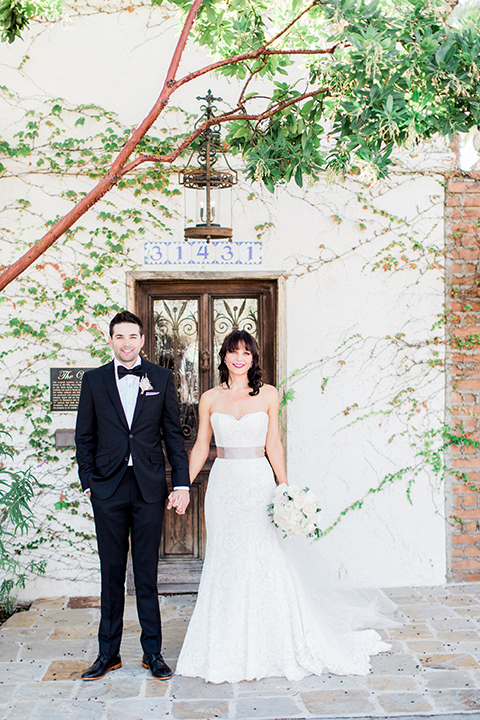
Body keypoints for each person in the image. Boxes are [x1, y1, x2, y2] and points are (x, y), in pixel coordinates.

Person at [175, 329, 394, 684]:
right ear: (224, 357)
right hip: (225, 486)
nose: (239, 358)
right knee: (226, 558)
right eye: (233, 352)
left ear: (253, 358)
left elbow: (273, 444)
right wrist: (183, 485)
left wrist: (284, 487)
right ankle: (225, 644)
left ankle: (275, 640)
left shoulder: (269, 395)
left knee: (265, 557)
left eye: (246, 352)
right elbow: (201, 446)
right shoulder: (210, 398)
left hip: (258, 484)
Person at [75, 310, 190, 681]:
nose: (126, 343)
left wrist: (182, 483)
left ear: (143, 340)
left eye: (132, 336)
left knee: (146, 574)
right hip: (107, 488)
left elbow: (173, 435)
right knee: (111, 573)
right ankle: (108, 654)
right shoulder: (93, 381)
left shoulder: (161, 377)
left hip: (148, 487)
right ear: (111, 340)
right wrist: (88, 482)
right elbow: (84, 437)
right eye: (119, 336)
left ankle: (152, 652)